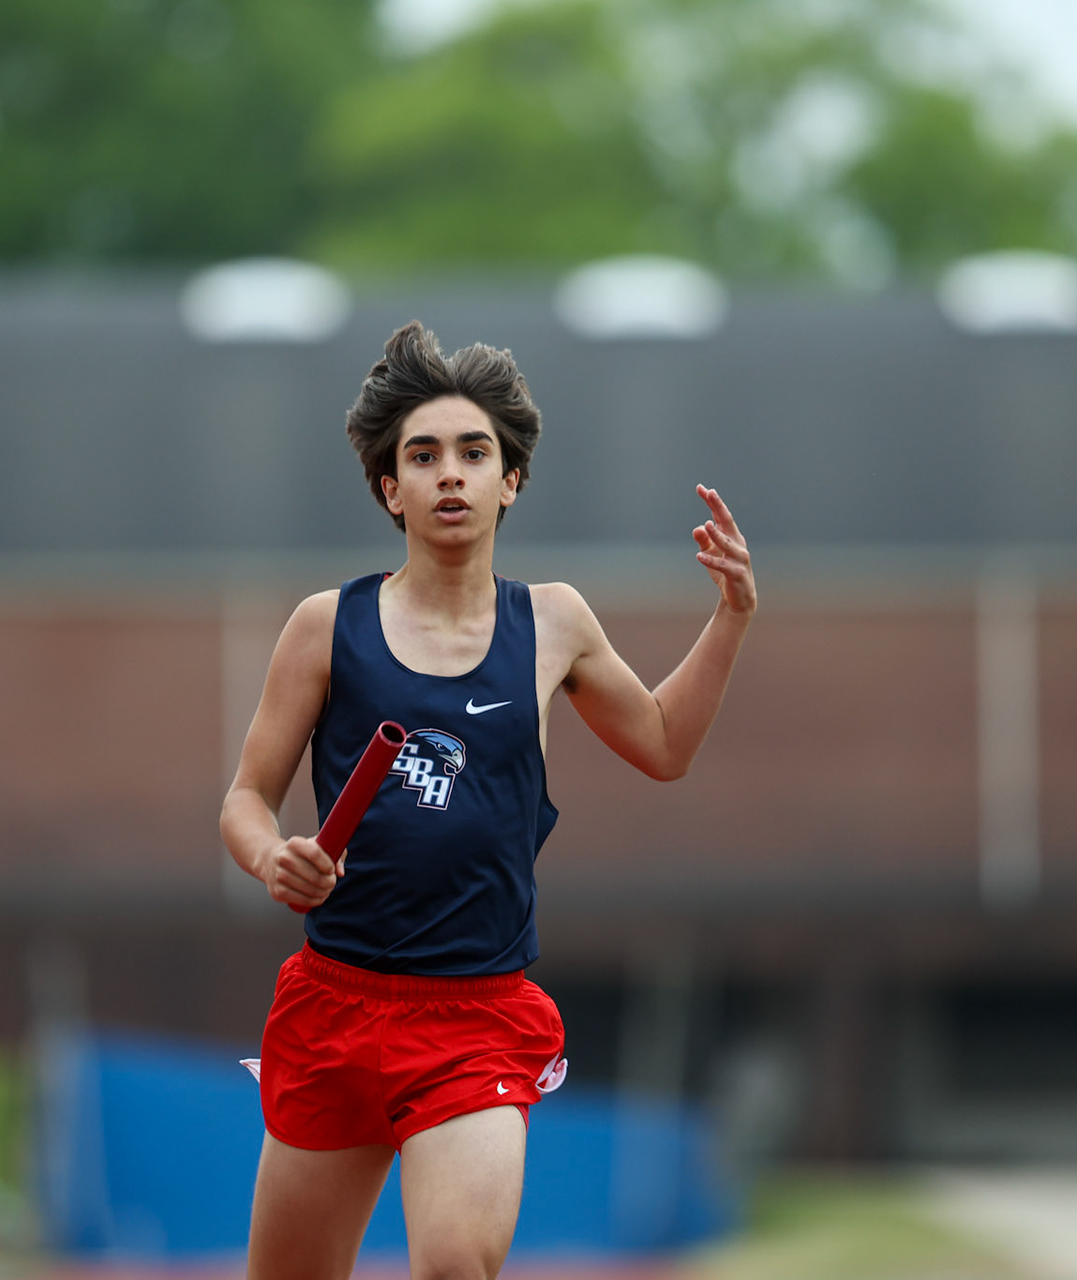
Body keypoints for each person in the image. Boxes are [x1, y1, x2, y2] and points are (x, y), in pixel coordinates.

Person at [220, 322, 756, 1280]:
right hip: (335, 1006)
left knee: (456, 1265)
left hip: (473, 1018)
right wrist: (272, 855)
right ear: (391, 488)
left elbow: (666, 746)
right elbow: (246, 800)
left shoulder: (553, 621)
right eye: (422, 456)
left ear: (511, 479)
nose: (451, 474)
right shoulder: (324, 626)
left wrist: (731, 617)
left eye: (476, 452)